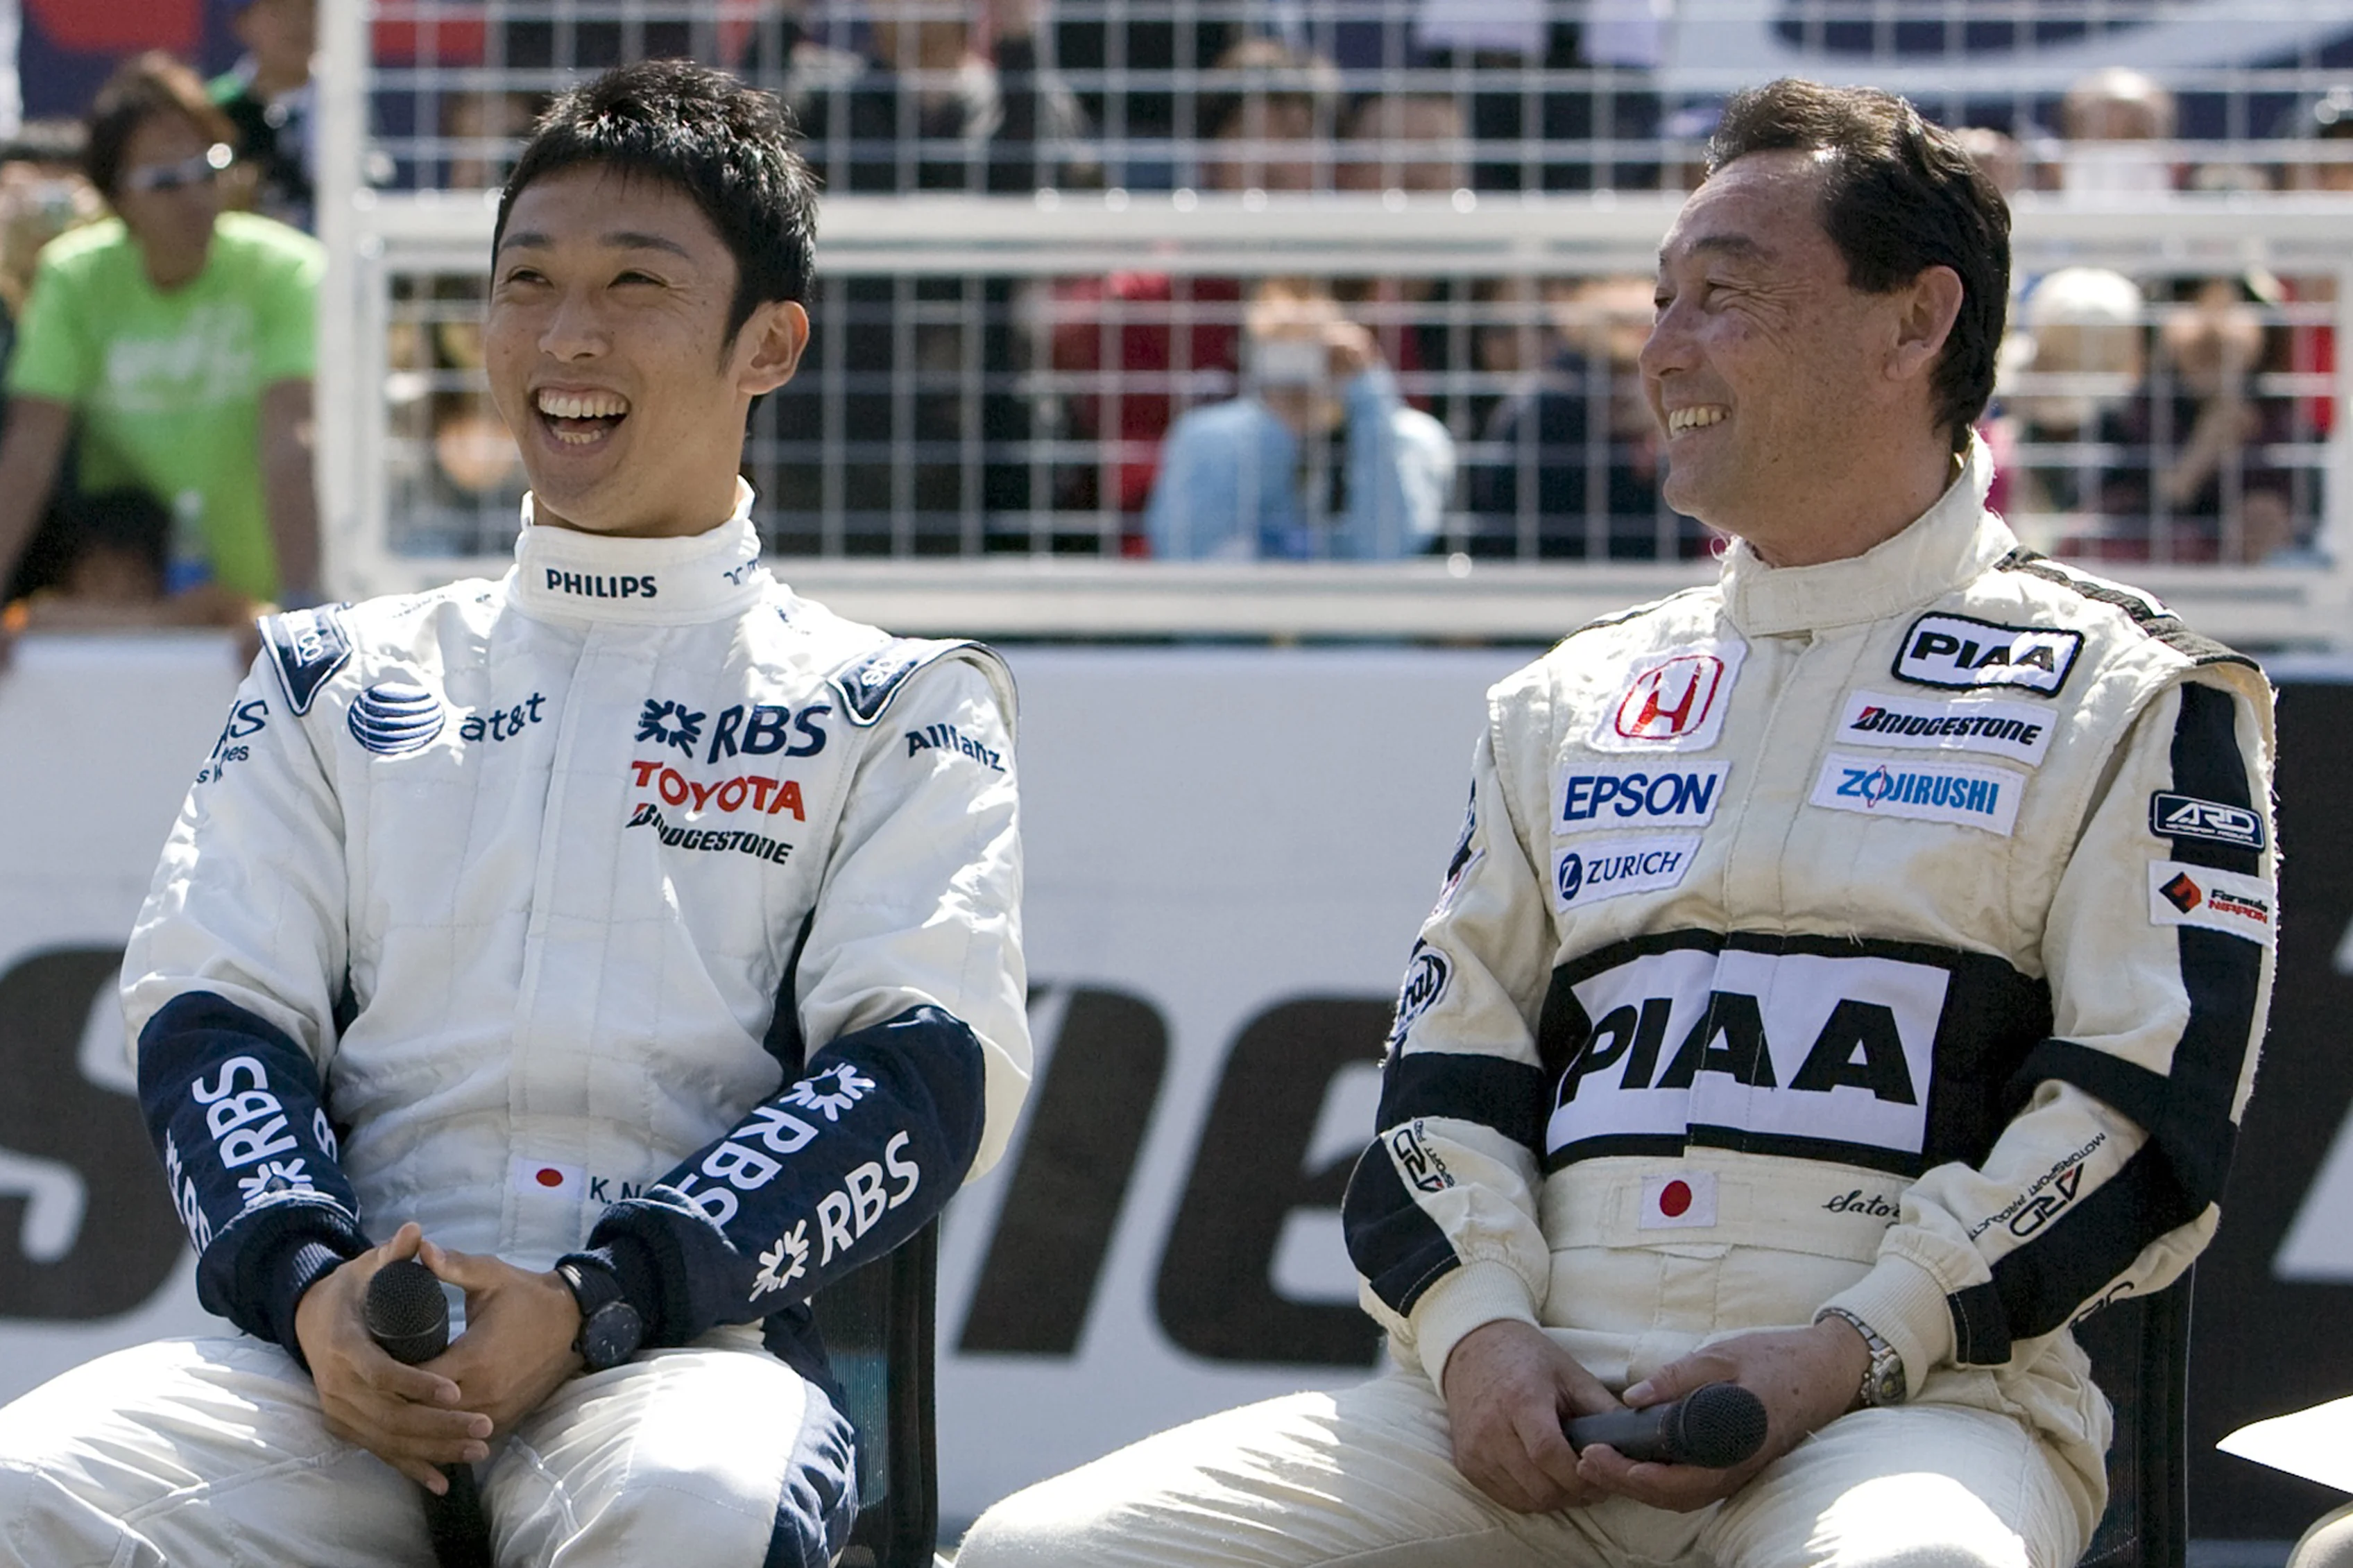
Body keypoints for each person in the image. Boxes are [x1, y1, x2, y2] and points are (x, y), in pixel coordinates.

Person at [957, 77, 2275, 1568]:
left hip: (1908, 1411)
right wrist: (1477, 1338)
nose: (1657, 351)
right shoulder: (1567, 698)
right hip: (1525, 1413)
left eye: (1722, 297)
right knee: (1034, 1545)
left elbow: (2136, 1119)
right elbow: (1437, 1087)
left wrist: (1850, 1343)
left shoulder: (2132, 690)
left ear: (1914, 323)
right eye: (1659, 299)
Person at [0, 58, 1029, 1567]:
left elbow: (922, 1075)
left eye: (634, 283)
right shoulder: (329, 675)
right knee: (29, 1481)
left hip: (674, 1367)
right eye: (527, 280)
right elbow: (213, 1015)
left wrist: (603, 1296)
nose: (566, 336)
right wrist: (312, 1287)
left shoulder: (895, 706)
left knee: (704, 1510)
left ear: (771, 344)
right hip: (328, 1370)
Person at [0, 52, 323, 628]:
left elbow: (291, 442)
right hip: (130, 616)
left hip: (266, 613)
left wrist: (300, 611)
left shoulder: (286, 268)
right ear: (115, 198)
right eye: (165, 180)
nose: (196, 195)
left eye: (209, 167)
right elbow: (29, 452)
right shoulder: (73, 279)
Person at [1145, 279, 1453, 560]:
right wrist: (1277, 425)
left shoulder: (1409, 435)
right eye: (1280, 345)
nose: (1298, 359)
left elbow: (1389, 549)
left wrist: (1369, 398)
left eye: (1313, 341)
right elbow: (1186, 554)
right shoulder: (1207, 438)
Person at [209, 0, 316, 231]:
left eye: (310, 8)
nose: (297, 23)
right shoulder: (213, 107)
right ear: (243, 22)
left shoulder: (349, 106)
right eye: (278, 10)